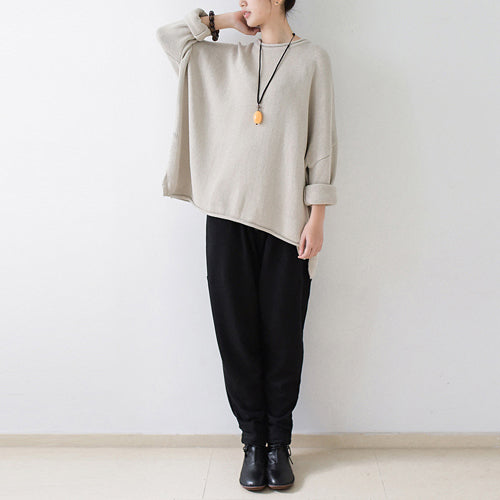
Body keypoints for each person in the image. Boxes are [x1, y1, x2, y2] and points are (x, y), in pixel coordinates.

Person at [156, 0, 338, 491]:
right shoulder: (225, 59)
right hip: (226, 218)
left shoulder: (312, 59)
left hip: (287, 223)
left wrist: (317, 216)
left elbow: (322, 143)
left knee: (283, 338)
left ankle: (280, 444)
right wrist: (221, 23)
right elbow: (170, 38)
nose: (240, 1)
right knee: (236, 337)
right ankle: (253, 443)